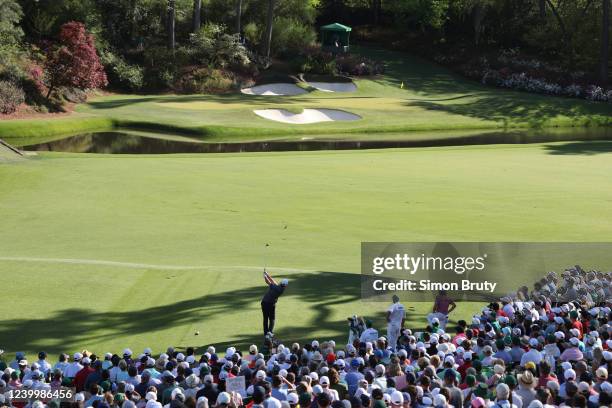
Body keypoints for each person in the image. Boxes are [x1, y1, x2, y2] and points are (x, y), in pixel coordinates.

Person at [261, 271, 288, 337]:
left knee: (265, 318)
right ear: (285, 285)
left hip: (264, 302)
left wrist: (265, 276)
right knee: (272, 319)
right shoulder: (281, 289)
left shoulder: (276, 287)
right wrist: (267, 275)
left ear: (281, 283)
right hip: (270, 304)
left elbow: (268, 282)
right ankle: (270, 332)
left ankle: (266, 333)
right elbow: (272, 281)